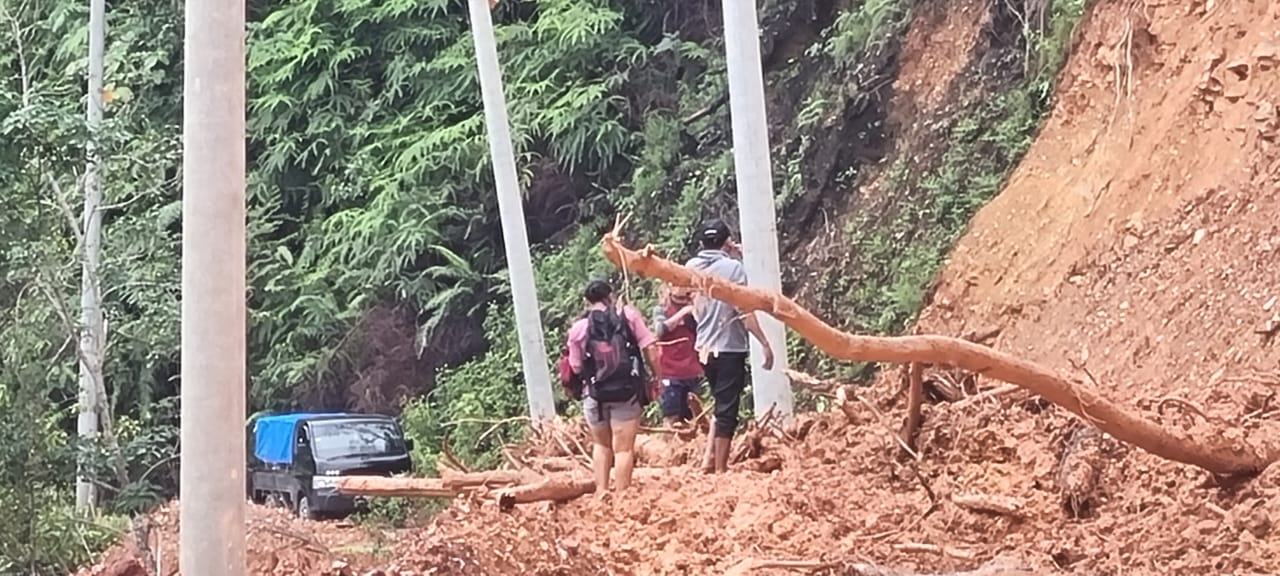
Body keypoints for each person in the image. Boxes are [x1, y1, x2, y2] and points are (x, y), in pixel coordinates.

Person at [685, 218, 775, 473]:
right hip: (728, 347)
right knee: (727, 408)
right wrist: (765, 343)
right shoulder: (734, 268)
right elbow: (744, 308)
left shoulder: (691, 266)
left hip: (703, 347)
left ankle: (710, 461)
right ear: (726, 241)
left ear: (702, 242)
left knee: (720, 400)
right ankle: (721, 469)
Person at [565, 280, 662, 494]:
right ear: (611, 296)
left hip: (595, 395)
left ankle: (601, 492)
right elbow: (650, 349)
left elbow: (576, 365)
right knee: (623, 449)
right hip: (627, 393)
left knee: (601, 446)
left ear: (586, 301)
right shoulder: (629, 316)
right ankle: (622, 495)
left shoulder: (579, 328)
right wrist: (658, 377)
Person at [651, 283, 703, 427]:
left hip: (693, 371)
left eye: (682, 283)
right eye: (675, 283)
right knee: (671, 417)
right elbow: (660, 330)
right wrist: (683, 312)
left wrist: (694, 308)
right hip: (670, 372)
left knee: (694, 417)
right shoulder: (661, 309)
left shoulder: (696, 307)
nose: (680, 287)